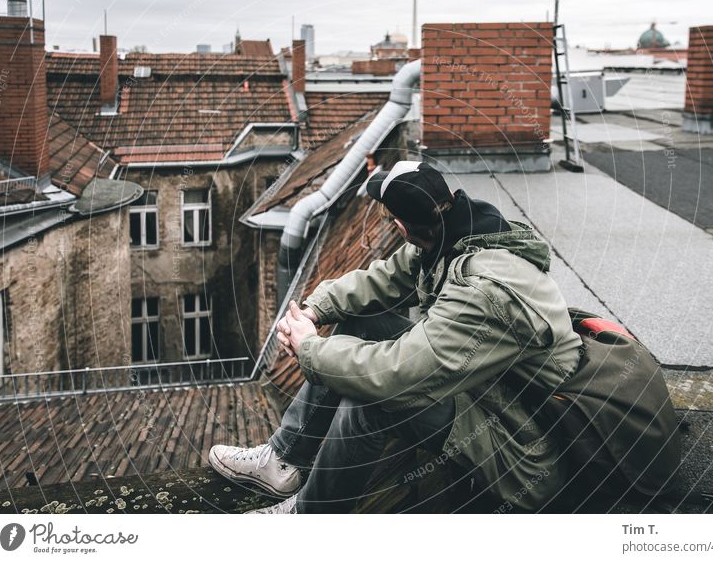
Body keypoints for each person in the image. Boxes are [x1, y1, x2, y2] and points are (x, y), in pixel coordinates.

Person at [208, 160, 584, 513]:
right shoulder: (453, 233)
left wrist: (309, 348)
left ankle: (310, 515)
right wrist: (314, 310)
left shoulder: (482, 289)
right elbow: (383, 278)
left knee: (374, 402)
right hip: (489, 397)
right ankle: (282, 459)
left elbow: (393, 375)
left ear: (402, 225)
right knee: (362, 324)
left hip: (525, 448)